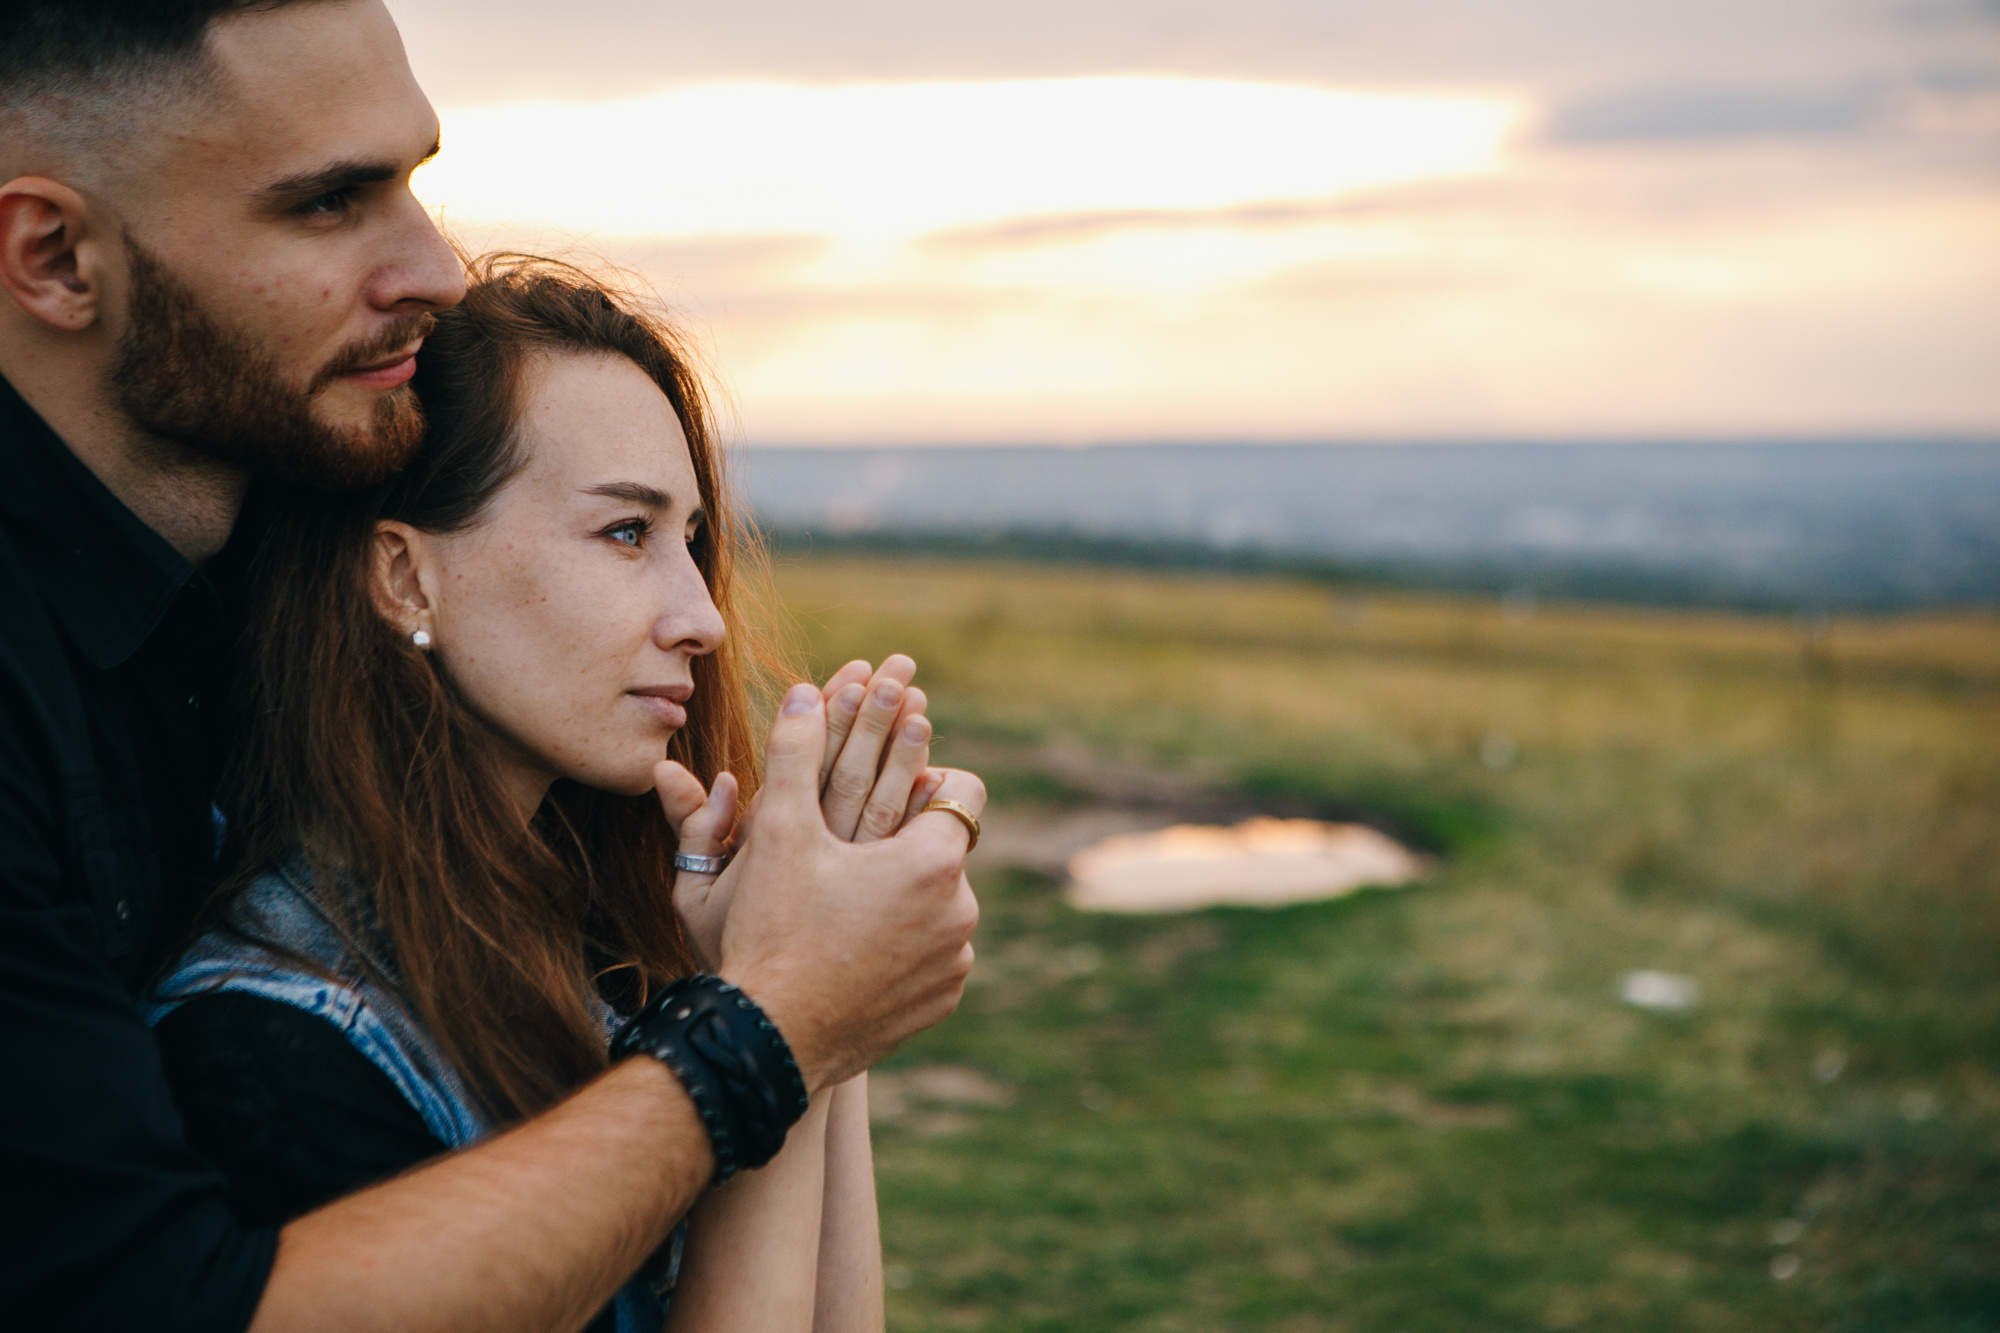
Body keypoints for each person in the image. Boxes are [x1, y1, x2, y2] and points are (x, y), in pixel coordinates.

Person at [0, 3, 981, 1329]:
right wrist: (782, 1018)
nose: (438, 267)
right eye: (331, 201)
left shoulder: (246, 623)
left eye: (413, 180)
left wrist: (814, 982)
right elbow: (170, 1297)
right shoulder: (280, 1028)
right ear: (55, 255)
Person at [149, 256, 937, 1333]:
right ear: (403, 577)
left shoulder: (584, 946)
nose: (701, 617)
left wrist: (809, 980)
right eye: (625, 532)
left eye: (693, 543)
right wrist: (779, 1015)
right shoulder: (280, 1056)